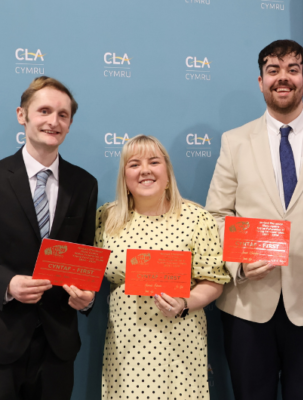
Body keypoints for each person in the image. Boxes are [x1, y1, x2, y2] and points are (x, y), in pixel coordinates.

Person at [205, 39, 303, 400]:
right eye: (273, 70)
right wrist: (238, 264)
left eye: (292, 69)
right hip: (247, 305)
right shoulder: (235, 141)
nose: (283, 77)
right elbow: (216, 216)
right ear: (261, 81)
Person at [0, 76, 98, 400]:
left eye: (62, 114)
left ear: (70, 124)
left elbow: (85, 254)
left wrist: (87, 297)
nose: (53, 121)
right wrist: (8, 283)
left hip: (57, 347)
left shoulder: (84, 184)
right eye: (44, 111)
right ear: (22, 115)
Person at [95, 135, 230, 400]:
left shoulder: (197, 218)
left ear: (167, 173)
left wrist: (184, 303)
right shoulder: (106, 217)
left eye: (154, 162)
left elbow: (213, 281)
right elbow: (88, 271)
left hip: (181, 343)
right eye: (134, 164)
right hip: (125, 348)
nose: (144, 170)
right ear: (124, 177)